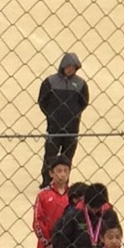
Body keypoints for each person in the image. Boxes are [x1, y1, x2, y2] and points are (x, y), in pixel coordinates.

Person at [38, 52, 89, 184]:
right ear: (63, 66)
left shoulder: (81, 84)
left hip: (72, 127)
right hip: (54, 127)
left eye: (73, 67)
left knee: (68, 157)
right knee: (50, 156)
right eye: (68, 66)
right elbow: (42, 101)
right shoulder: (50, 82)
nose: (70, 69)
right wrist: (51, 115)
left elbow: (84, 102)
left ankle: (63, 183)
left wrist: (74, 114)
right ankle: (47, 182)